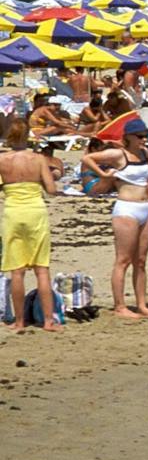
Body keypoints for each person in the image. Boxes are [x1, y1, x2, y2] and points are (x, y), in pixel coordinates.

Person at [82, 120, 148, 318]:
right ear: (129, 137)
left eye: (145, 136)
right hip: (126, 209)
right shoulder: (118, 154)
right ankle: (120, 306)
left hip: (144, 207)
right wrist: (103, 174)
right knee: (123, 260)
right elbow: (88, 158)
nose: (144, 139)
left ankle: (141, 304)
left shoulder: (145, 153)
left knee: (141, 261)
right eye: (140, 136)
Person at [0, 122, 58, 331]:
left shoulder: (2, 159)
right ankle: (49, 321)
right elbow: (51, 189)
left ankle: (19, 321)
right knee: (41, 269)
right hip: (35, 211)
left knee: (17, 271)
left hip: (13, 212)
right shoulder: (38, 159)